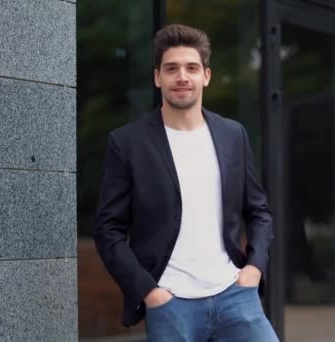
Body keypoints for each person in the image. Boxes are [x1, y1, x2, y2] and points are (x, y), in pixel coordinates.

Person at [93, 24, 278, 342]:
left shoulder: (233, 135)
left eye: (191, 68)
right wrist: (148, 291)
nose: (182, 76)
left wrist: (255, 267)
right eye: (171, 68)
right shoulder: (128, 143)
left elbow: (258, 210)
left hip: (235, 294)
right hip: (170, 303)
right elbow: (107, 230)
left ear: (206, 75)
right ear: (157, 77)